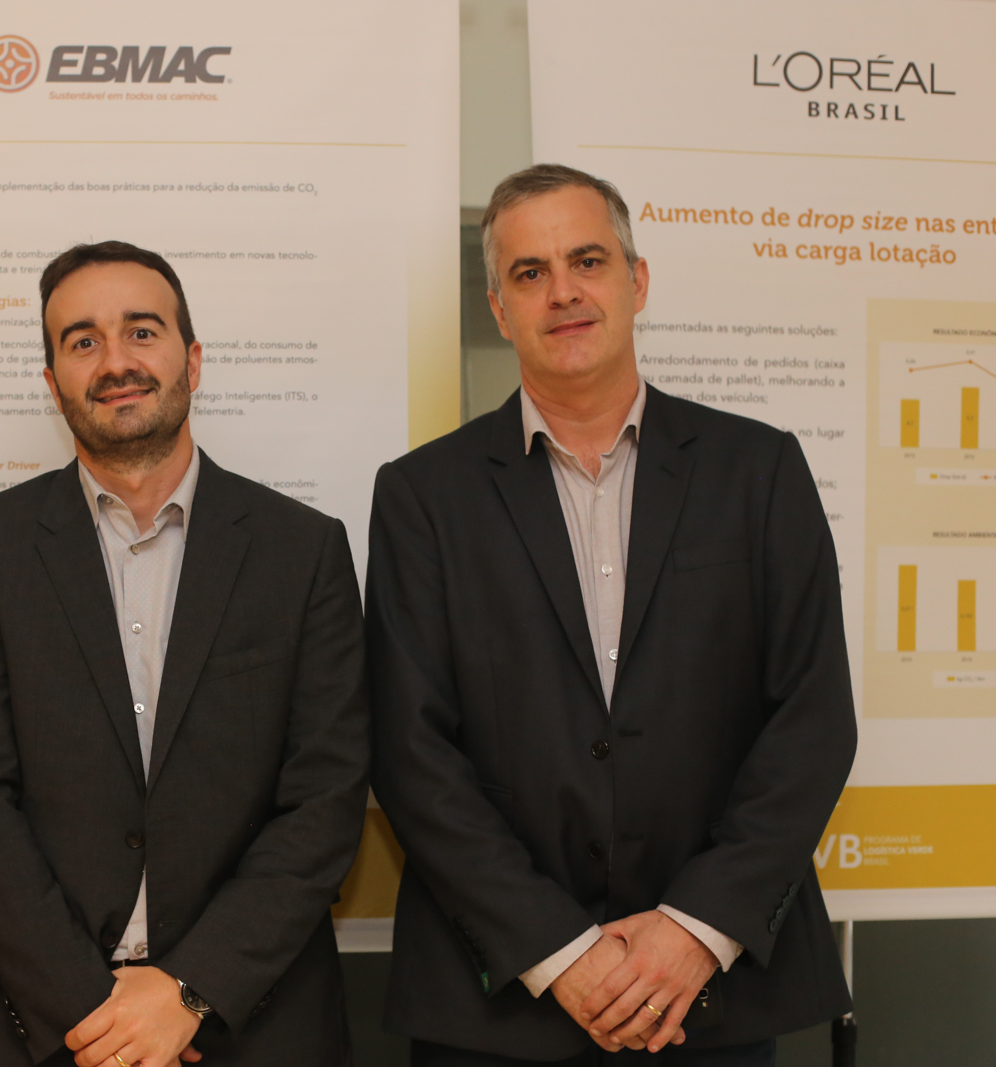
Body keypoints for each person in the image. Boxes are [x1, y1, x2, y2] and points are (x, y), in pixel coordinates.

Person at [367, 164, 856, 1066]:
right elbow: (410, 749)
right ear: (499, 307)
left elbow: (813, 719)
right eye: (530, 272)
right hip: (499, 1009)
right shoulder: (421, 496)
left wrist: (694, 928)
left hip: (709, 999)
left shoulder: (759, 471)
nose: (563, 291)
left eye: (587, 260)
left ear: (637, 280)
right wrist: (561, 952)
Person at [0, 240, 369, 1067]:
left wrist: (187, 990)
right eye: (82, 341)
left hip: (251, 1022)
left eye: (141, 331)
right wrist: (97, 1014)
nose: (115, 362)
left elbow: (326, 796)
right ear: (52, 381)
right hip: (46, 1032)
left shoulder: (302, 551)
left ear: (191, 360)